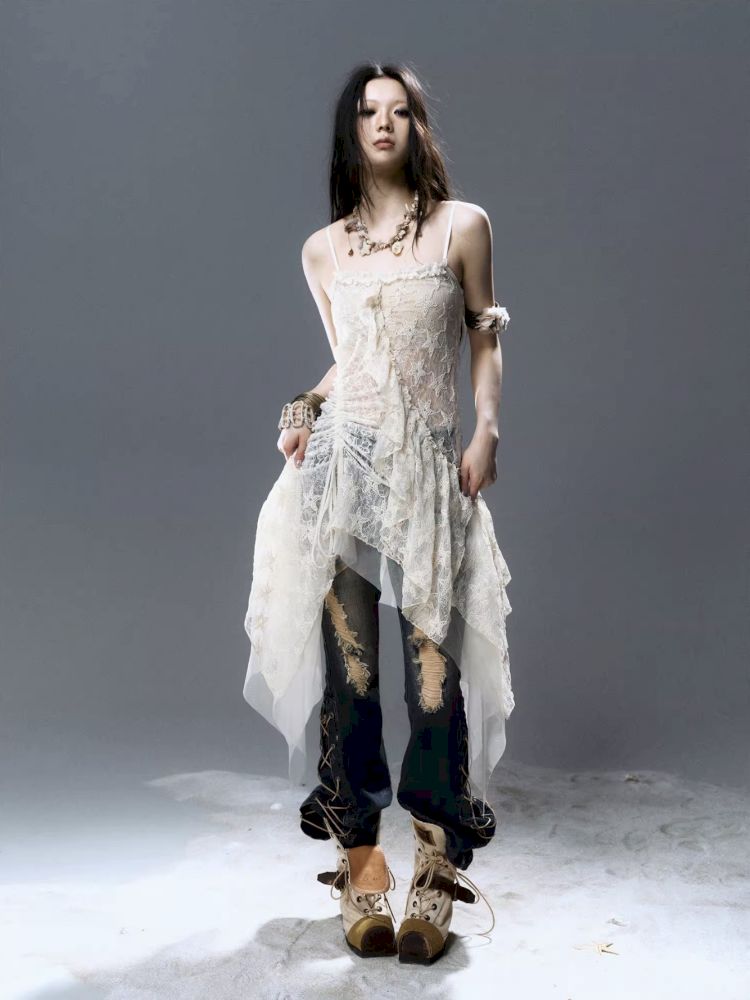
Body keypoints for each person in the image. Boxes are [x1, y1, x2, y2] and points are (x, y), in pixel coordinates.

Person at [243, 61, 514, 964]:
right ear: (351, 129)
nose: (384, 123)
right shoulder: (323, 250)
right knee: (350, 677)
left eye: (400, 110)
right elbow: (355, 364)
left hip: (430, 477)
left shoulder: (462, 227)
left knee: (432, 684)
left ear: (418, 126)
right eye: (368, 111)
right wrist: (304, 407)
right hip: (344, 477)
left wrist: (487, 429)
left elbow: (483, 338)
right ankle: (361, 866)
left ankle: (436, 870)